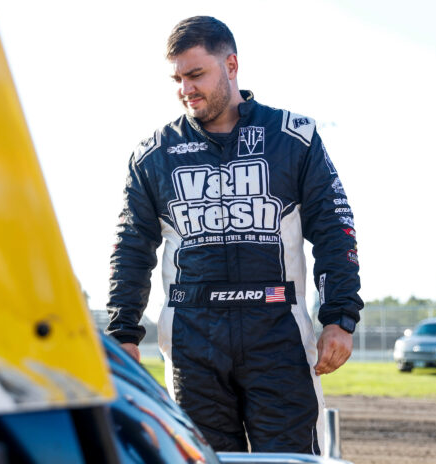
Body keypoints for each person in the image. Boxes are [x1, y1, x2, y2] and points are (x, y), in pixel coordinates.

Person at [105, 16, 363, 454]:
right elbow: (131, 247)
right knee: (204, 460)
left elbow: (335, 228)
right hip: (192, 340)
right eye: (178, 79)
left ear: (231, 64)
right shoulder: (154, 154)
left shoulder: (293, 138)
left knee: (290, 462)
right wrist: (122, 333)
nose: (186, 88)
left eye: (195, 74)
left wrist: (339, 317)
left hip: (278, 334)